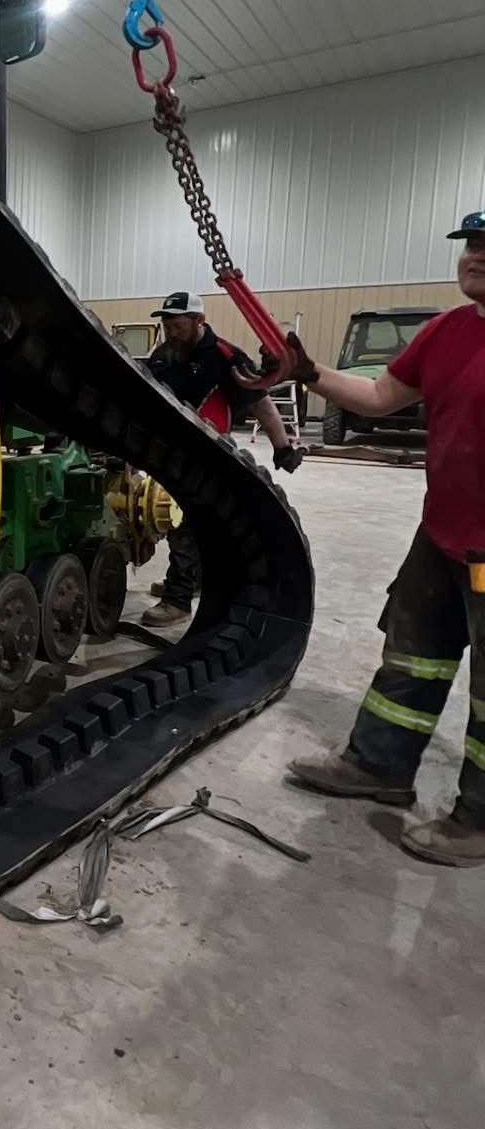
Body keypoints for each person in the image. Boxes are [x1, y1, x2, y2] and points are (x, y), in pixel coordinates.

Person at [286, 211, 485, 864]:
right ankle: (380, 765)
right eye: (470, 245)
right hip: (441, 533)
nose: (475, 256)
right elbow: (375, 395)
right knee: (412, 653)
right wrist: (308, 372)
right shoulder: (447, 331)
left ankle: (477, 820)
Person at [139, 290, 302, 631]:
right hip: (173, 451)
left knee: (180, 520)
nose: (170, 328)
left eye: (178, 321)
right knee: (187, 518)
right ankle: (192, 579)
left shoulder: (225, 356)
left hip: (211, 451)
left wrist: (282, 447)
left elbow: (260, 400)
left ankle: (178, 599)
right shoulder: (164, 354)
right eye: (166, 321)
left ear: (199, 320)